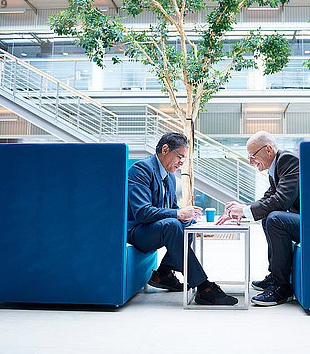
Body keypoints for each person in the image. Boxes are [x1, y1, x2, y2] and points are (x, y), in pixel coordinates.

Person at [127, 132, 238, 306]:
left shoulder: (170, 176)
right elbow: (142, 212)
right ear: (165, 149)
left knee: (187, 225)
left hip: (154, 229)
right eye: (180, 157)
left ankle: (162, 274)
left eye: (184, 159)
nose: (181, 162)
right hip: (137, 231)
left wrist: (187, 215)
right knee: (173, 224)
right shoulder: (141, 169)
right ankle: (203, 287)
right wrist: (178, 214)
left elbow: (171, 209)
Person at [225, 131, 300, 306]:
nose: (250, 161)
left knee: (275, 218)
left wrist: (244, 210)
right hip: (305, 220)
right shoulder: (276, 167)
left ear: (268, 149)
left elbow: (282, 200)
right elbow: (268, 198)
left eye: (253, 156)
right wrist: (242, 209)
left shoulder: (288, 161)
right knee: (268, 218)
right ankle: (275, 276)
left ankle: (281, 287)